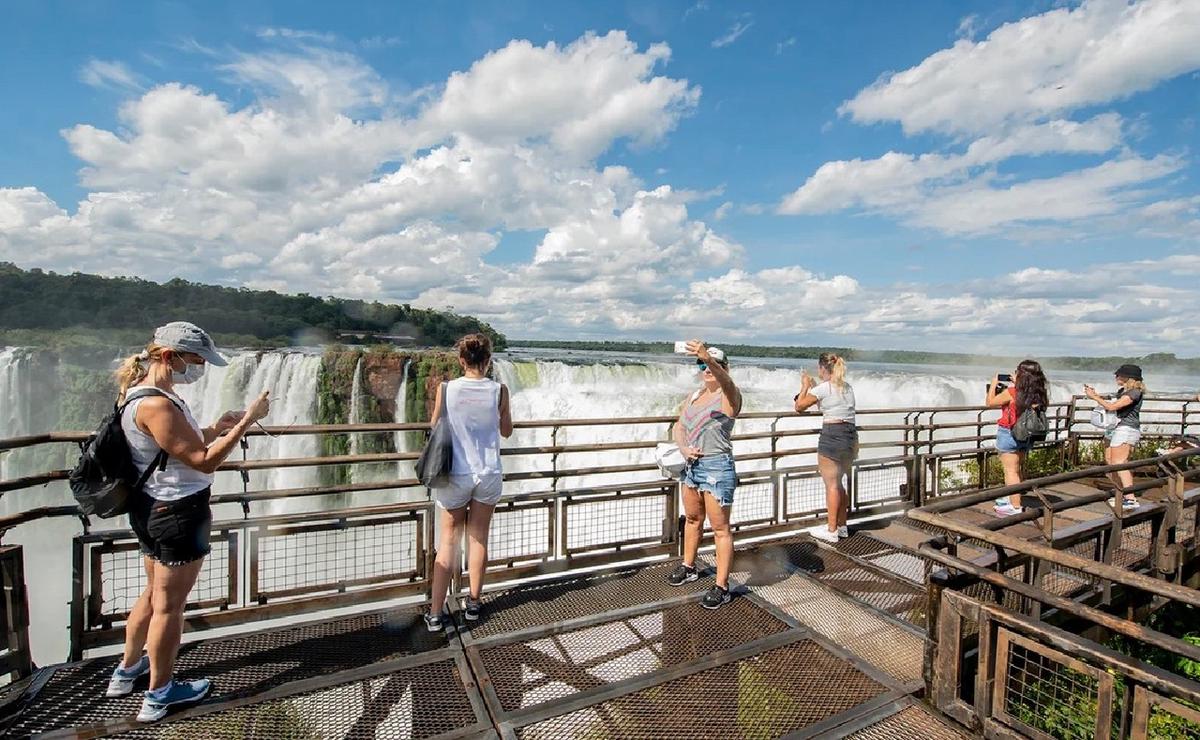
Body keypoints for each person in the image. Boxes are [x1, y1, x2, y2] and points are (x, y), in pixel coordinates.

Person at [107, 322, 269, 723]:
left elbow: (181, 447)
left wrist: (216, 428)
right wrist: (248, 420)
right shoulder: (158, 404)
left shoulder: (144, 396)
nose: (199, 368)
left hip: (151, 509)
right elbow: (204, 461)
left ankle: (127, 672)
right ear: (168, 356)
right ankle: (159, 696)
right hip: (177, 514)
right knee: (169, 609)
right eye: (195, 360)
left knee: (151, 595)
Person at [425, 334, 513, 631]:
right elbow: (506, 431)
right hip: (488, 473)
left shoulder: (446, 389)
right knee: (478, 538)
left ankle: (436, 613)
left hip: (455, 474)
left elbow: (435, 425)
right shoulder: (500, 391)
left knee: (448, 542)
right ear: (488, 361)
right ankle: (473, 604)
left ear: (462, 361)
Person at [666, 341, 742, 610]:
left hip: (716, 468)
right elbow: (678, 426)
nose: (708, 369)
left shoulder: (729, 395)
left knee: (720, 529)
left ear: (724, 368)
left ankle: (722, 586)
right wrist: (684, 449)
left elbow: (727, 383)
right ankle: (689, 567)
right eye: (703, 365)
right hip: (692, 467)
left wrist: (708, 358)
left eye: (714, 365)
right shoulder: (695, 395)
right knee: (693, 520)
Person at [794, 353, 857, 543]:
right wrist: (814, 387)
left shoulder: (823, 388)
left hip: (832, 435)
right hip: (850, 436)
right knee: (839, 483)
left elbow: (799, 406)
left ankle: (831, 531)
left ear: (822, 368)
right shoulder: (847, 387)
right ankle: (842, 526)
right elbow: (828, 399)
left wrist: (805, 386)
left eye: (819, 368)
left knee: (831, 484)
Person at [986, 360, 1049, 517]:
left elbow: (990, 403)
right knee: (1016, 469)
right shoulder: (1039, 393)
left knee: (1010, 471)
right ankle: (1012, 499)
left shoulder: (1013, 392)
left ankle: (1015, 507)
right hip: (1026, 434)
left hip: (1009, 432)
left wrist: (993, 384)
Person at [1085, 364, 1145, 511]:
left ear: (1127, 377)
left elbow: (1112, 407)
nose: (1116, 377)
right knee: (1111, 462)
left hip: (1127, 429)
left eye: (1118, 375)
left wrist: (1094, 397)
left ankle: (1130, 498)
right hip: (1118, 428)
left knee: (1120, 462)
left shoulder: (1134, 392)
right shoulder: (1124, 391)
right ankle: (1122, 493)